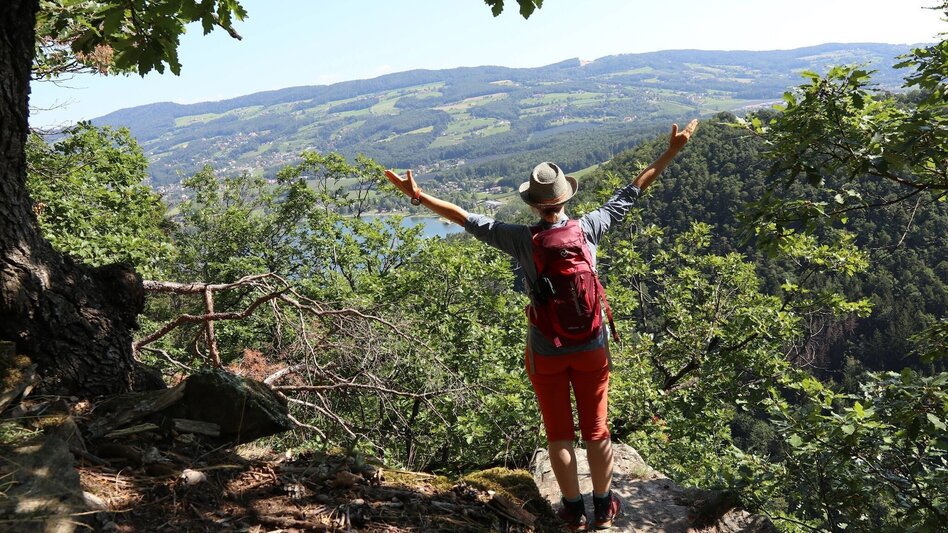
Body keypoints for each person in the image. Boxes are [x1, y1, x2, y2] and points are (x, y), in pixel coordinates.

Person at [385, 119, 698, 530]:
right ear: (566, 197)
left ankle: (573, 511)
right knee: (597, 430)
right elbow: (634, 189)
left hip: (546, 349)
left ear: (534, 204)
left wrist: (418, 195)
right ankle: (604, 506)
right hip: (591, 346)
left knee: (559, 434)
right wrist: (672, 150)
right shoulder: (590, 228)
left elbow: (463, 217)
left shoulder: (520, 239)